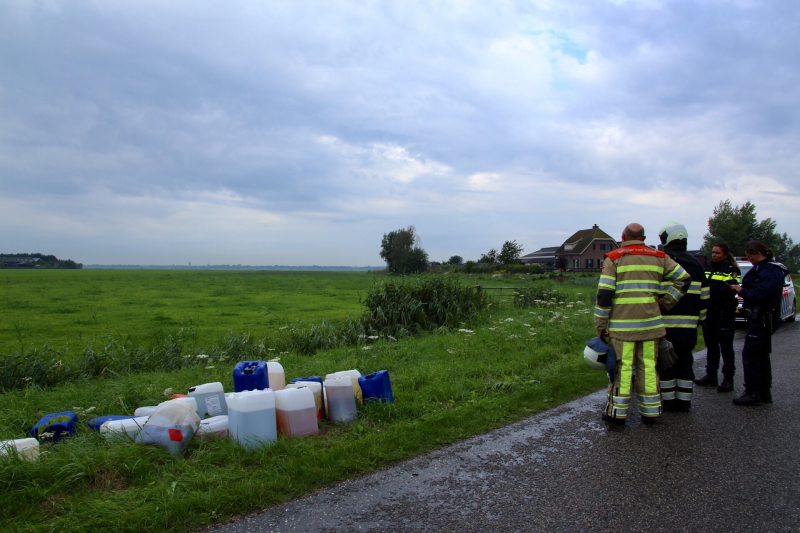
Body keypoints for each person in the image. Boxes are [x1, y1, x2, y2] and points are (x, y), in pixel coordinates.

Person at [595, 223, 691, 426]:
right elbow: (684, 279)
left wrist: (601, 324)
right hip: (650, 326)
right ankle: (650, 413)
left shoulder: (614, 258)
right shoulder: (660, 257)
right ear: (644, 238)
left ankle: (616, 414)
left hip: (622, 329)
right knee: (648, 367)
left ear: (623, 236)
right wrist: (666, 302)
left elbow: (604, 295)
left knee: (622, 368)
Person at [656, 222, 709, 413]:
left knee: (666, 364)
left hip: (664, 326)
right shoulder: (697, 265)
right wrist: (699, 321)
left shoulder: (662, 263)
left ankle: (668, 403)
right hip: (688, 327)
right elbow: (704, 298)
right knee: (685, 363)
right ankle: (684, 403)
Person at [730, 241, 789, 406]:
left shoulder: (770, 270)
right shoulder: (765, 268)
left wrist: (742, 291)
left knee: (751, 354)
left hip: (764, 317)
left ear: (759, 254)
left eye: (750, 257)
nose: (749, 260)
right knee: (761, 354)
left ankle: (752, 392)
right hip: (761, 316)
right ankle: (763, 392)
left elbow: (761, 294)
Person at [695, 243, 741, 392]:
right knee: (711, 345)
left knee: (726, 347)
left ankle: (728, 379)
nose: (714, 255)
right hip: (709, 312)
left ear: (725, 255)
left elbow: (728, 290)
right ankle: (711, 375)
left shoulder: (732, 270)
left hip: (723, 312)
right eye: (713, 252)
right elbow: (702, 287)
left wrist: (711, 289)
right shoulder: (707, 269)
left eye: (718, 253)